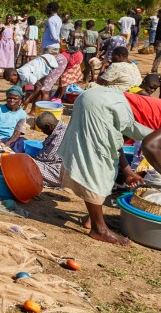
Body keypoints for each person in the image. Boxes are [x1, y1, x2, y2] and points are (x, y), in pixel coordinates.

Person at [59, 86, 158, 245]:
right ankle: (99, 229)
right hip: (104, 104)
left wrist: (128, 172)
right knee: (98, 165)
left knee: (103, 161)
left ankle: (93, 219)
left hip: (101, 99)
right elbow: (152, 147)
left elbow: (116, 143)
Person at [0, 86, 27, 151]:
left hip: (12, 139)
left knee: (24, 143)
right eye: (9, 98)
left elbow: (17, 132)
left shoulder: (22, 114)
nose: (12, 101)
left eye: (15, 99)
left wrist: (9, 142)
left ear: (20, 99)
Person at [33, 111, 67, 188]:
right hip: (57, 166)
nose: (42, 132)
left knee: (28, 165)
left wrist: (32, 160)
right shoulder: (61, 128)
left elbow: (48, 158)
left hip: (62, 171)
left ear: (48, 126)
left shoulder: (60, 135)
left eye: (42, 129)